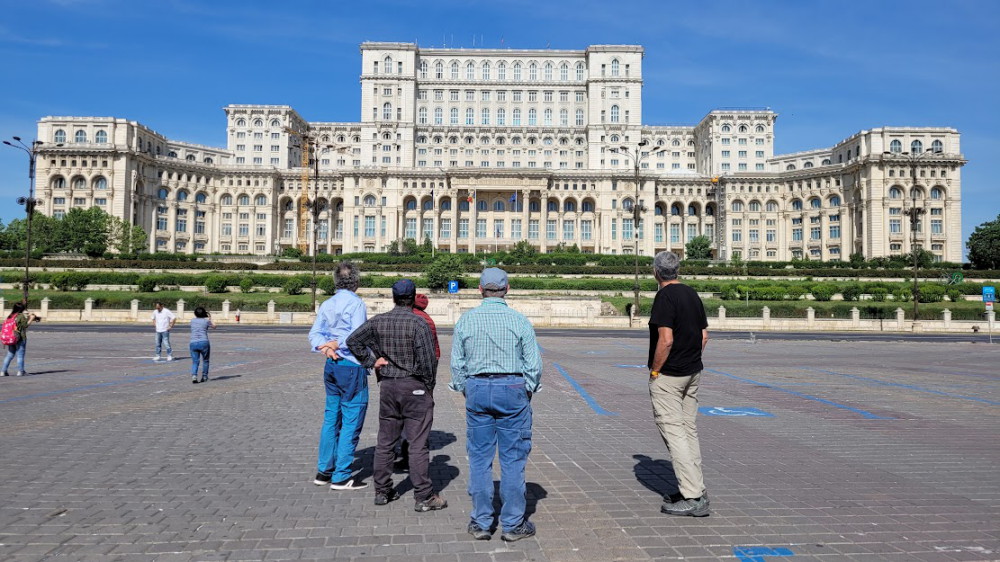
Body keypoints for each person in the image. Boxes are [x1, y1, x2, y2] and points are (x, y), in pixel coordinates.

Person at [450, 267, 542, 542]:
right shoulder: (519, 321)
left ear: (480, 289)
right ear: (507, 289)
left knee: (479, 458)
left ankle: (480, 522)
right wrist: (527, 389)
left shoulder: (466, 320)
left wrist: (467, 388)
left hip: (477, 387)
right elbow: (534, 366)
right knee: (513, 459)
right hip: (512, 387)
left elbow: (457, 365)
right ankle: (513, 524)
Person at [347, 279, 445, 512]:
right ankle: (423, 495)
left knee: (385, 441)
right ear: (412, 298)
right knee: (418, 443)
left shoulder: (379, 321)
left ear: (393, 297)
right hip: (414, 386)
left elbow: (353, 341)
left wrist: (372, 362)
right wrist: (428, 387)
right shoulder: (418, 323)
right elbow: (428, 361)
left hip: (389, 386)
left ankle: (382, 491)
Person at [646, 251, 710, 517]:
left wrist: (656, 371)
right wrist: (690, 359)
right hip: (692, 373)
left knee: (675, 435)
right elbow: (704, 336)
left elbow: (666, 340)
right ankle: (695, 487)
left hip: (670, 376)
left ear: (656, 272)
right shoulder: (691, 294)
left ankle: (694, 497)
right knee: (688, 430)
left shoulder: (665, 297)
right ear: (678, 270)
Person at [307, 261, 370, 491]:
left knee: (331, 417)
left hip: (331, 363)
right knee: (352, 418)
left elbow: (315, 333)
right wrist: (335, 343)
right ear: (356, 281)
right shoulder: (356, 304)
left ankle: (325, 470)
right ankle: (342, 475)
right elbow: (358, 336)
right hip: (351, 365)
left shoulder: (327, 303)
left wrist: (325, 346)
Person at [394, 293, 441, 470]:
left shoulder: (409, 318)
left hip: (404, 374)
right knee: (418, 417)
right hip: (424, 375)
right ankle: (412, 452)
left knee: (400, 415)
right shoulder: (428, 319)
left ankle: (403, 453)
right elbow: (435, 353)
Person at [2, 303, 39, 377]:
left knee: (9, 355)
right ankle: (21, 371)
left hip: (10, 338)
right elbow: (25, 326)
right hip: (20, 338)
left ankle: (3, 371)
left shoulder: (10, 316)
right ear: (21, 309)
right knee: (20, 355)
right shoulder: (20, 316)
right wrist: (31, 318)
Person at [189, 307, 215, 384]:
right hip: (204, 342)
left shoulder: (192, 321)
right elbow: (214, 326)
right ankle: (204, 376)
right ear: (204, 313)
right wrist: (210, 318)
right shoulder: (206, 321)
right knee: (205, 360)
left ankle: (194, 376)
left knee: (195, 361)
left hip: (193, 342)